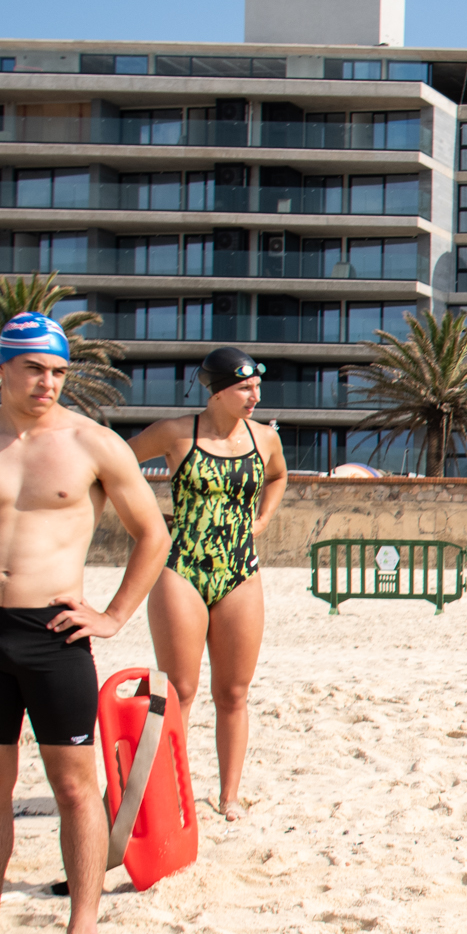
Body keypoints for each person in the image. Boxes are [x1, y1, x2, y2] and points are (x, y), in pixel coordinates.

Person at [0, 313, 171, 934]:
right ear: (3, 370)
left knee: (75, 786)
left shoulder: (93, 444)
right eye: (34, 369)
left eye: (57, 371)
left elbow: (153, 535)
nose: (48, 382)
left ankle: (82, 931)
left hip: (54, 634)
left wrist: (110, 616)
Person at [127, 346, 286, 819]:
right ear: (216, 390)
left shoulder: (264, 439)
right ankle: (167, 788)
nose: (255, 396)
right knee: (179, 687)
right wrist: (145, 524)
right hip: (182, 567)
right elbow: (115, 465)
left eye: (257, 386)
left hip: (239, 570)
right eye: (245, 388)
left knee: (233, 693)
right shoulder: (176, 433)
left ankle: (228, 796)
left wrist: (264, 520)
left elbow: (277, 477)